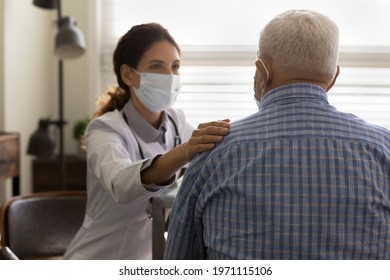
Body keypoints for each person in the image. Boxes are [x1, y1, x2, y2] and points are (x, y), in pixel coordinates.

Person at [164, 10, 390, 259]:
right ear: (333, 77)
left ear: (262, 71)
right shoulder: (383, 148)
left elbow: (179, 260)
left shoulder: (214, 151)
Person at [64, 23, 230, 260]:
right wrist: (184, 152)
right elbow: (121, 185)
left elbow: (210, 161)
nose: (170, 77)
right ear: (128, 75)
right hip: (97, 258)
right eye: (156, 66)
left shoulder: (177, 122)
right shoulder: (104, 129)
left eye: (175, 67)